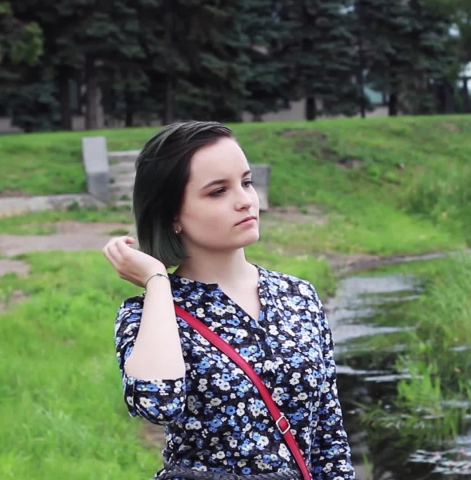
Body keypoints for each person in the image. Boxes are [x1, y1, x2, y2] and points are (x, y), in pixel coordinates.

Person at [103, 121, 355, 480]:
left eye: (246, 182)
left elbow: (329, 438)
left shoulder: (299, 297)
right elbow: (157, 403)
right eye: (218, 191)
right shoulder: (147, 315)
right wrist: (157, 282)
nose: (245, 200)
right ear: (172, 214)